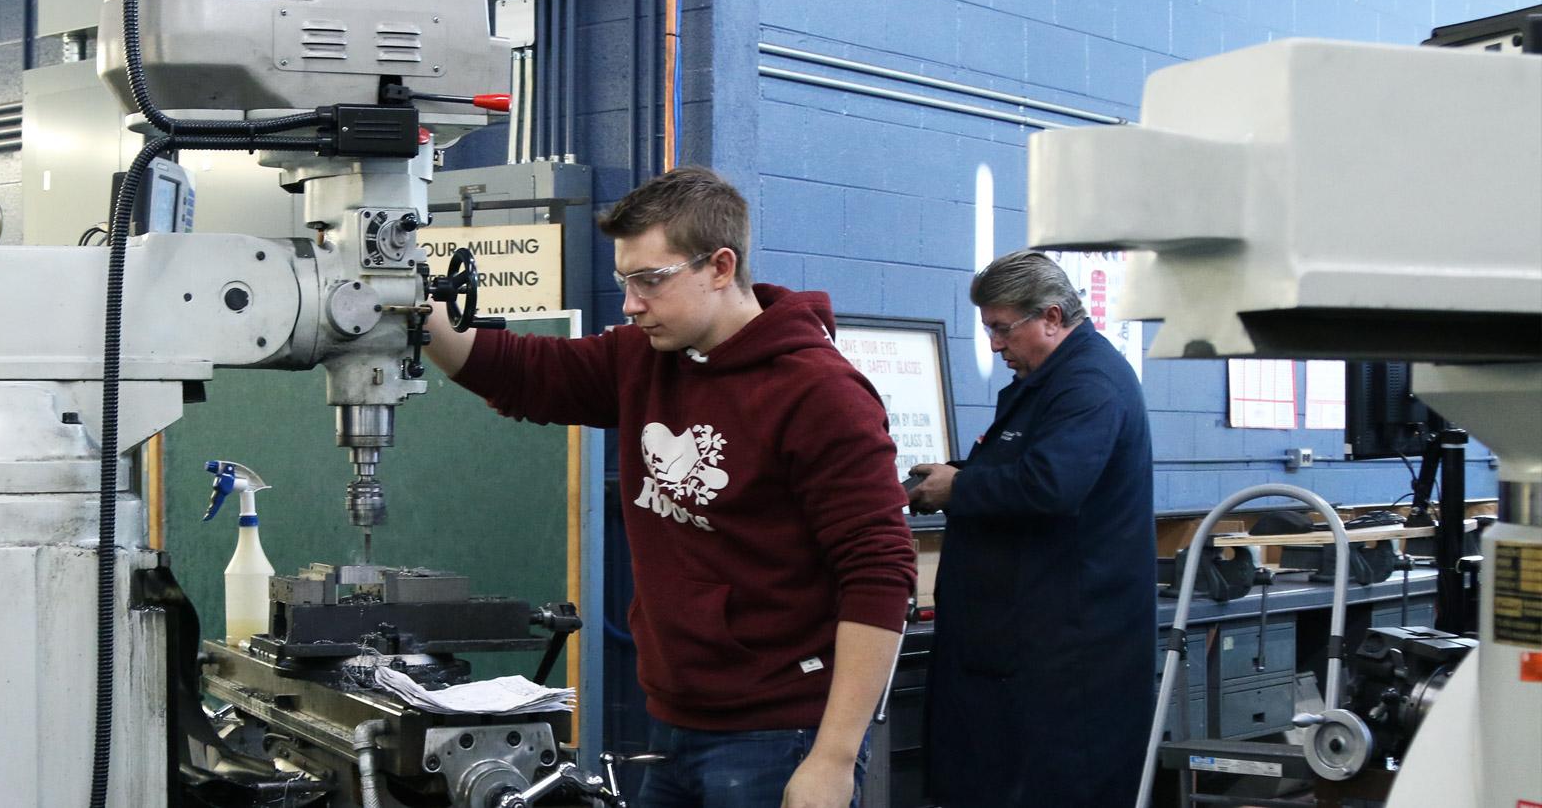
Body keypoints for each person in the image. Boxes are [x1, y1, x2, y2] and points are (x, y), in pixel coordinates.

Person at [424, 167, 916, 808]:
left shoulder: (818, 393)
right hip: (678, 724)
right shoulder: (644, 359)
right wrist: (407, 307)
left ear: (719, 266)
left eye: (650, 280)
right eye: (624, 280)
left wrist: (834, 757)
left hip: (781, 735)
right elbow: (520, 371)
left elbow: (881, 573)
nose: (630, 303)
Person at [906, 249, 1157, 807]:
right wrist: (961, 477)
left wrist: (959, 489)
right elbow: (1030, 469)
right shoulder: (1056, 380)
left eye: (1002, 329)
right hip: (1024, 647)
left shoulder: (1090, 383)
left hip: (1066, 660)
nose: (995, 345)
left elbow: (1051, 485)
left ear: (1050, 316)